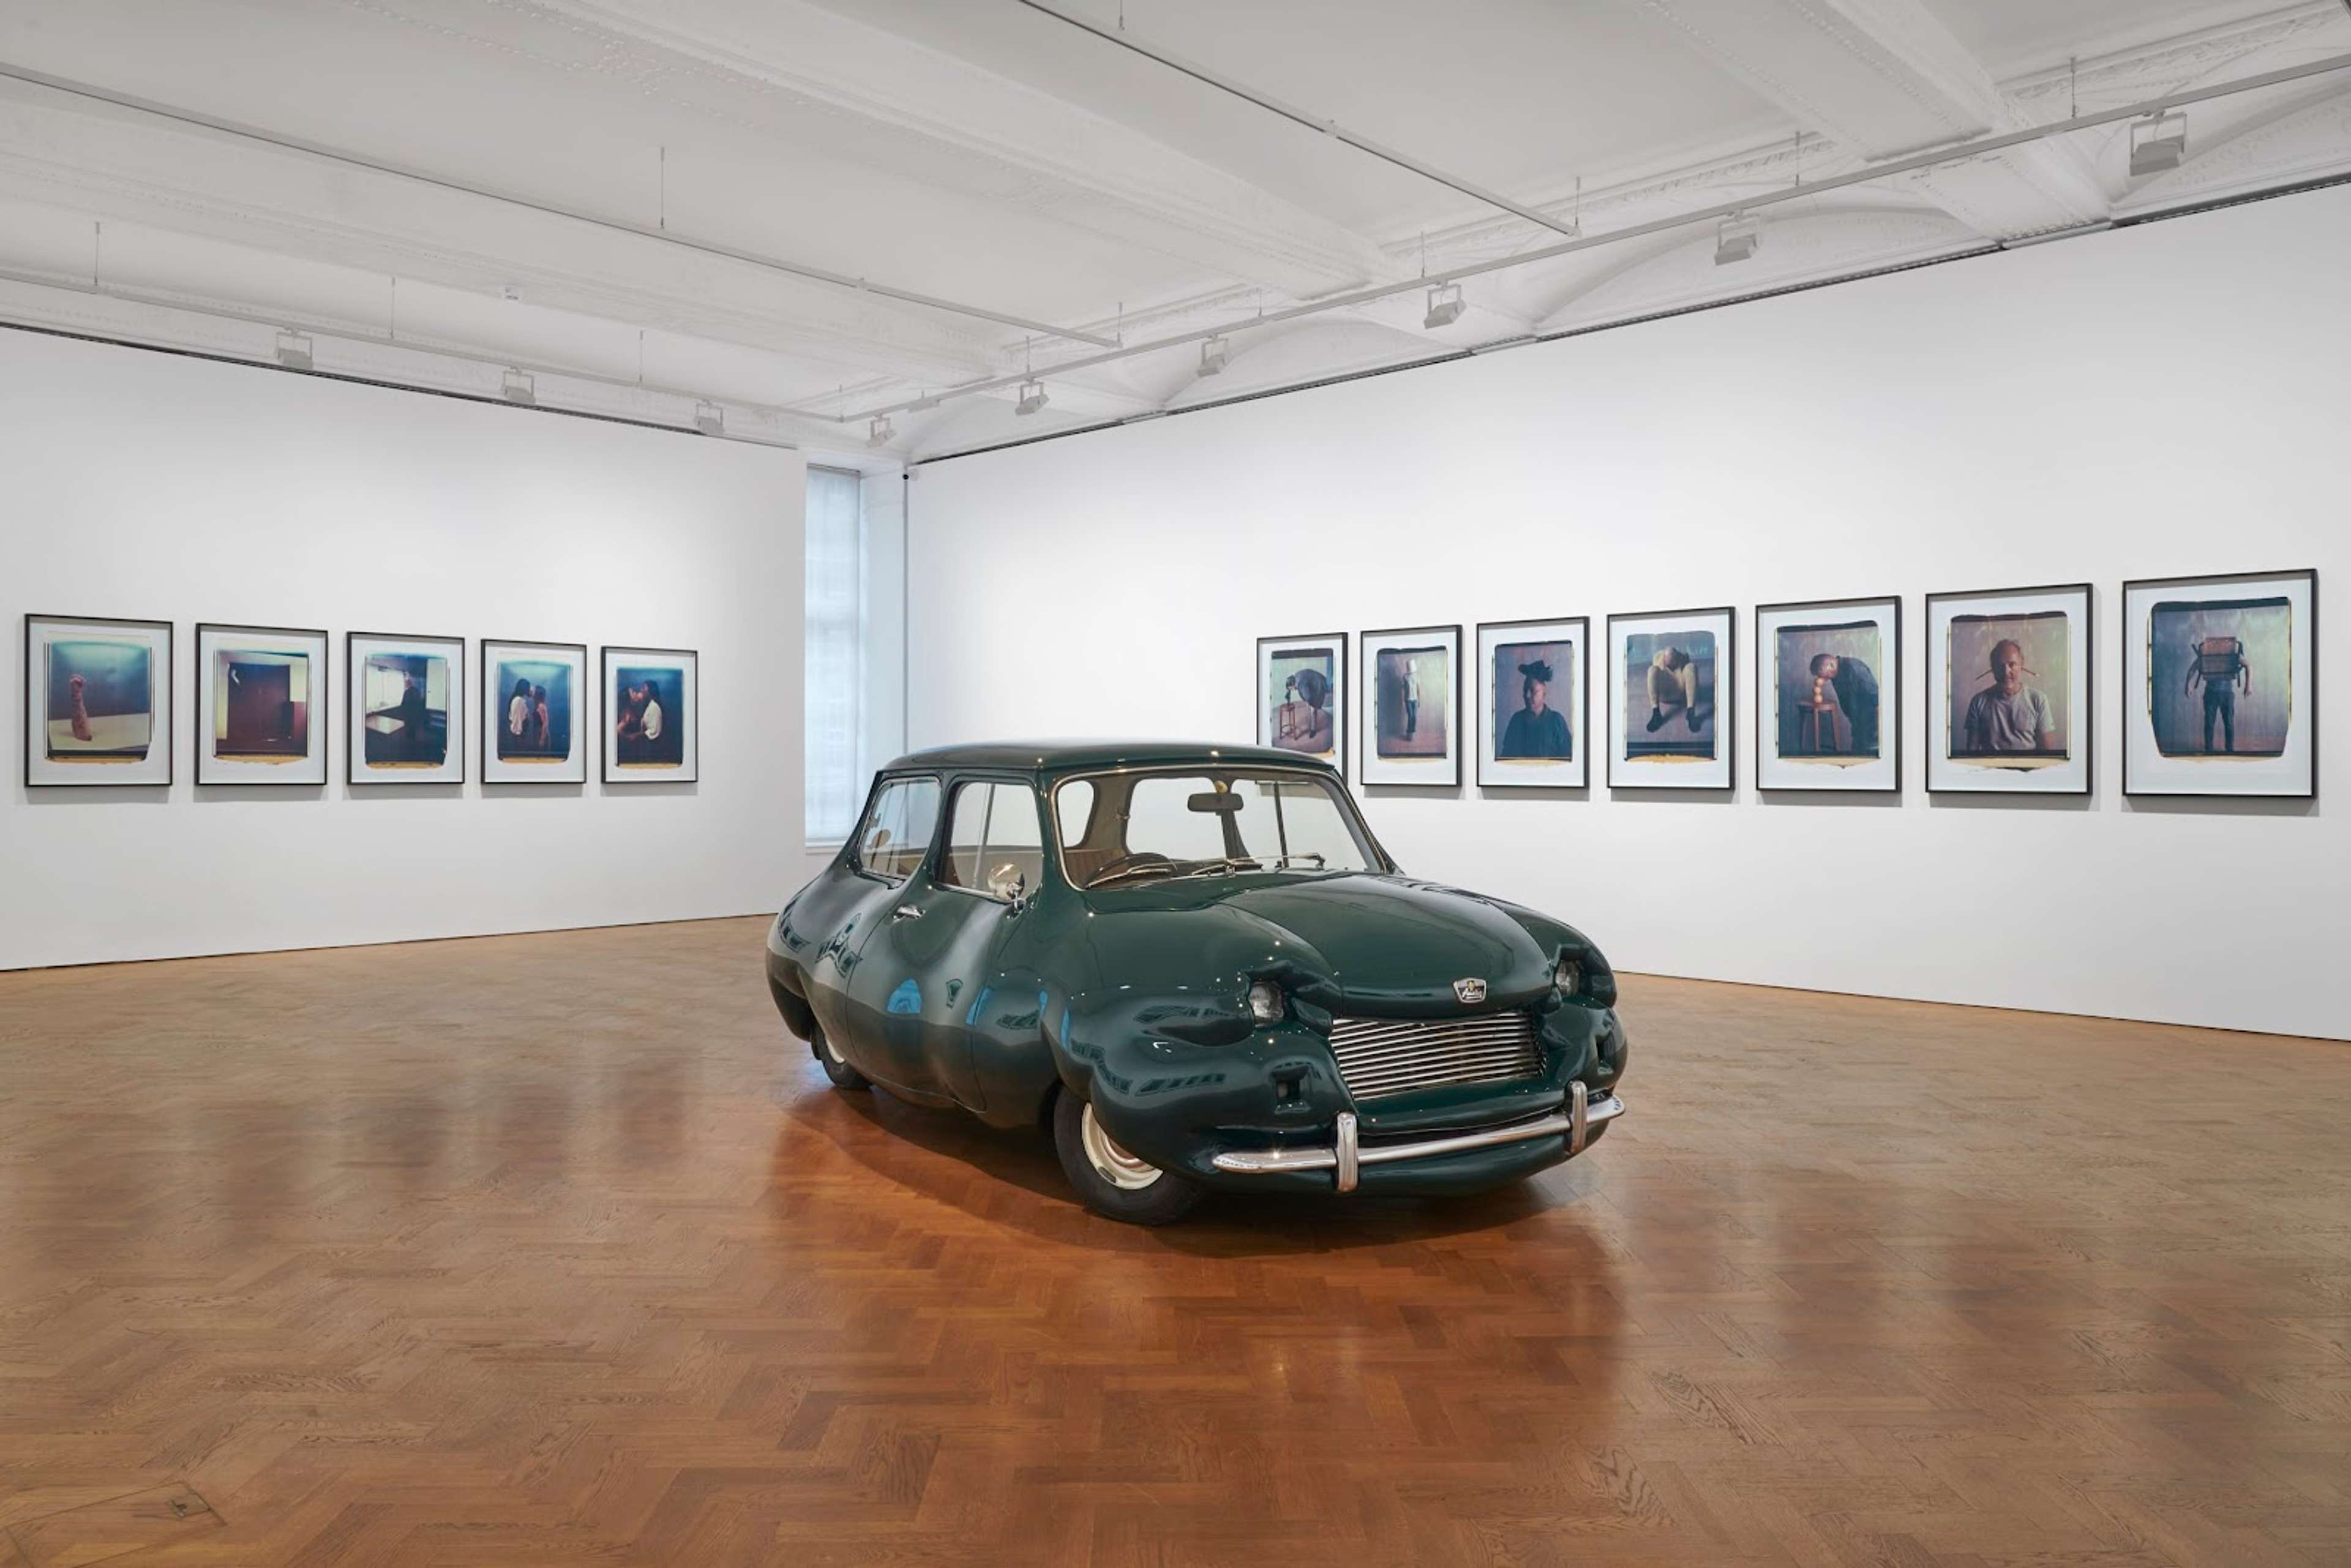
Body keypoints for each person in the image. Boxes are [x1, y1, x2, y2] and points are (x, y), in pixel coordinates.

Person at [1962, 638, 2055, 753]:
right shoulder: (1978, 702)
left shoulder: (2038, 700)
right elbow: (1972, 750)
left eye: (2012, 665)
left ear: (2022, 665)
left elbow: (2046, 752)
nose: (2006, 672)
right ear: (1993, 669)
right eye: (2000, 666)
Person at [2185, 633, 2249, 754]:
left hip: (2227, 694)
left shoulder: (2233, 656)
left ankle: (2229, 750)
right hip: (2211, 693)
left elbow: (2248, 665)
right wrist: (2188, 684)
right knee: (2209, 723)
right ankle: (2208, 750)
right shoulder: (2206, 656)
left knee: (2229, 723)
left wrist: (2248, 685)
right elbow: (2192, 669)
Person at [1498, 658, 1570, 759]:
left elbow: (1568, 759)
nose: (1527, 695)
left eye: (1533, 691)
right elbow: (1506, 757)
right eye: (1525, 690)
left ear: (1544, 694)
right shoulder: (1516, 720)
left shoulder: (1557, 722)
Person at [1644, 645, 1700, 732]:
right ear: (1664, 658)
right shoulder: (1658, 658)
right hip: (1664, 694)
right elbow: (1654, 675)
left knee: (1691, 667)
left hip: (1681, 692)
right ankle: (1656, 713)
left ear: (1677, 657)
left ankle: (1691, 712)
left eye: (1673, 662)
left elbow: (1690, 676)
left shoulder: (1683, 657)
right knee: (1652, 670)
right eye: (1668, 661)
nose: (1671, 665)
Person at [1273, 667, 1330, 752]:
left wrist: (1311, 704)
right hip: (1315, 681)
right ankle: (1312, 725)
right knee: (1311, 707)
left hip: (1319, 684)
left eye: (1291, 689)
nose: (1293, 690)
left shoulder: (1301, 684)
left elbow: (1308, 697)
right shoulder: (1296, 677)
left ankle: (1313, 730)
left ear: (1292, 685)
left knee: (1313, 710)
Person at [389, 670, 431, 762]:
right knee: (413, 730)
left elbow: (403, 705)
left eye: (405, 683)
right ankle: (413, 743)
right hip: (416, 715)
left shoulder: (407, 693)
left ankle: (409, 747)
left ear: (407, 684)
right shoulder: (417, 691)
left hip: (409, 716)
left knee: (408, 731)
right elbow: (419, 702)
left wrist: (401, 712)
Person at [507, 676, 531, 754]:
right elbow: (517, 720)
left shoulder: (520, 700)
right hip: (519, 737)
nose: (530, 690)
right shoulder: (518, 701)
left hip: (520, 735)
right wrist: (519, 735)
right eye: (528, 688)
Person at [1401, 657, 1421, 741]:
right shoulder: (1405, 677)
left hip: (1415, 700)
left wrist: (1420, 699)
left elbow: (1419, 688)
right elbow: (1402, 690)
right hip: (1408, 700)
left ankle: (1412, 734)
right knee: (1411, 716)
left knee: (1415, 717)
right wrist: (1402, 701)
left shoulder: (1417, 676)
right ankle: (1409, 733)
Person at [532, 685, 551, 753]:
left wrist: (542, 739)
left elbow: (545, 723)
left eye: (534, 690)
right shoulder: (538, 705)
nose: (532, 692)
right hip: (538, 732)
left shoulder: (541, 706)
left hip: (541, 733)